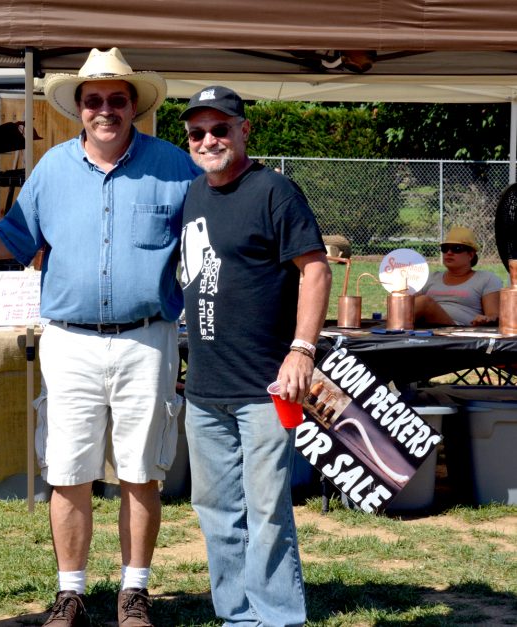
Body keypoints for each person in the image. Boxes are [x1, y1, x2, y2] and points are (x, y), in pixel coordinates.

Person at [0, 48, 199, 627]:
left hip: (148, 338)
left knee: (143, 471)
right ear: (80, 108)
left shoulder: (175, 166)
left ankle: (133, 593)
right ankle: (71, 594)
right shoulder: (52, 170)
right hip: (68, 340)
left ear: (133, 105)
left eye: (116, 99)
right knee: (68, 470)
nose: (105, 110)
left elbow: (213, 238)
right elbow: (12, 240)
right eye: (94, 101)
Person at [179, 86, 332, 626]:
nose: (209, 139)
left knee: (267, 512)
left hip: (265, 387)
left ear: (245, 131)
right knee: (217, 511)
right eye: (197, 132)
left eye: (221, 128)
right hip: (204, 389)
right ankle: (237, 616)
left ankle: (278, 617)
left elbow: (316, 269)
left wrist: (302, 351)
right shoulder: (193, 193)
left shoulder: (275, 191)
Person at [414, 226, 502, 326]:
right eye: (445, 249)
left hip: (459, 329)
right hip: (423, 327)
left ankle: (393, 327)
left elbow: (494, 315)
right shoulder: (431, 277)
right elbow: (409, 303)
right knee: (398, 300)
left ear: (470, 255)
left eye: (457, 249)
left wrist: (485, 320)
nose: (449, 253)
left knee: (425, 302)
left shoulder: (486, 279)